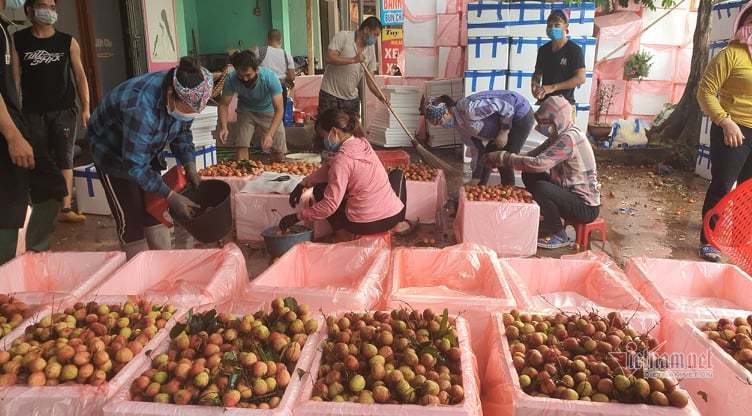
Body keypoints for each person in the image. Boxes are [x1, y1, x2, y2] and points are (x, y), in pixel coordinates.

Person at [87, 57, 213, 259]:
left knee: (154, 209)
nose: (191, 115)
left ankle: (162, 264)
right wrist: (171, 195)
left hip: (146, 145)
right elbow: (135, 166)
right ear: (171, 95)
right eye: (188, 111)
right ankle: (139, 269)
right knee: (131, 217)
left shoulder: (190, 93)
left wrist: (189, 165)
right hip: (112, 151)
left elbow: (182, 132)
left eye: (195, 112)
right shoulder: (141, 108)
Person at [483, 96, 601, 249]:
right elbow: (532, 156)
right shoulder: (559, 136)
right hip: (568, 193)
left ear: (557, 119)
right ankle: (548, 217)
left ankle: (558, 233)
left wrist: (504, 158)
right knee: (529, 173)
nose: (542, 127)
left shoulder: (569, 139)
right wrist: (502, 159)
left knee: (541, 188)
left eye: (546, 122)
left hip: (585, 207)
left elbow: (539, 164)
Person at [0, 0, 67, 265]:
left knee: (51, 184)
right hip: (8, 129)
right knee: (8, 206)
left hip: (17, 120)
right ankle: (6, 274)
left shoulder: (4, 27)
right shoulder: (16, 36)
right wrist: (13, 136)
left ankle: (35, 258)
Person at [14, 0, 90, 223]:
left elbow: (80, 76)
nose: (48, 11)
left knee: (65, 158)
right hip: (32, 112)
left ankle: (65, 208)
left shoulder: (68, 41)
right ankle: (42, 208)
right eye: (43, 5)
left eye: (52, 7)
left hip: (64, 110)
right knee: (38, 159)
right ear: (29, 10)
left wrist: (86, 108)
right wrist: (14, 113)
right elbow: (14, 79)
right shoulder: (18, 40)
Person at [281, 109, 406, 238]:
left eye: (323, 136)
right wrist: (304, 183)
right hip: (393, 217)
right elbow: (330, 167)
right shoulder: (363, 143)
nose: (324, 141)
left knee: (320, 191)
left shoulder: (341, 161)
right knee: (397, 175)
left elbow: (330, 205)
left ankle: (343, 236)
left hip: (365, 224)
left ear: (334, 132)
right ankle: (400, 224)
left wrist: (298, 217)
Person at [696, 3, 752, 262]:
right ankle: (709, 240)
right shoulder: (730, 55)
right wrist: (725, 121)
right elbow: (705, 92)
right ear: (742, 24)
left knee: (748, 192)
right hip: (733, 130)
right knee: (722, 186)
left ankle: (741, 241)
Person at [424, 91, 535, 186]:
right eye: (437, 124)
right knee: (488, 156)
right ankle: (481, 185)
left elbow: (507, 102)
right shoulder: (461, 128)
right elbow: (477, 150)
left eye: (440, 121)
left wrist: (504, 131)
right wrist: (475, 177)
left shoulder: (469, 109)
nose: (442, 125)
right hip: (502, 123)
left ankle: (509, 193)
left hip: (519, 114)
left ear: (446, 112)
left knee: (503, 158)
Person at [217, 50, 287, 161]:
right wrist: (224, 127)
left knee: (278, 150)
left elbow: (279, 110)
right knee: (242, 144)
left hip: (269, 111)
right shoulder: (231, 79)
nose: (245, 79)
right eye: (240, 76)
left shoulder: (270, 78)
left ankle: (276, 168)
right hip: (246, 111)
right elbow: (223, 105)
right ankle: (243, 168)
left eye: (248, 75)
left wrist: (270, 134)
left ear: (257, 69)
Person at [318, 16, 388, 117]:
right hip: (331, 94)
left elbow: (370, 79)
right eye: (375, 35)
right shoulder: (343, 37)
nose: (375, 39)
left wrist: (380, 95)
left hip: (351, 99)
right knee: (328, 126)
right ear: (366, 29)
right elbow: (329, 57)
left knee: (352, 126)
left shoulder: (370, 50)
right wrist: (353, 60)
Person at [531, 9, 586, 107]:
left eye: (557, 25)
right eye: (549, 26)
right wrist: (535, 86)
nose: (552, 28)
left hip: (565, 105)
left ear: (566, 27)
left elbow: (580, 78)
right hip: (546, 104)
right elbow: (537, 74)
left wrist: (553, 87)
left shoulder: (574, 50)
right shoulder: (543, 50)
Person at [254, 29, 295, 111]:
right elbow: (291, 77)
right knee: (279, 113)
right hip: (280, 89)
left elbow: (251, 67)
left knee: (263, 114)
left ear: (268, 39)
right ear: (280, 40)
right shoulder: (287, 55)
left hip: (263, 88)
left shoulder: (260, 51)